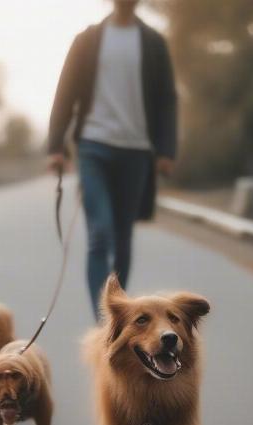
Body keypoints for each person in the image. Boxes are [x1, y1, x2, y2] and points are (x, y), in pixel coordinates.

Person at [48, 0, 177, 319]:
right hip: (94, 146)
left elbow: (166, 99)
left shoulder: (154, 43)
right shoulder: (87, 40)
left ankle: (120, 315)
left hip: (136, 150)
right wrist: (55, 144)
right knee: (100, 234)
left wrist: (166, 149)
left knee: (122, 237)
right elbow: (65, 91)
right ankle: (103, 324)